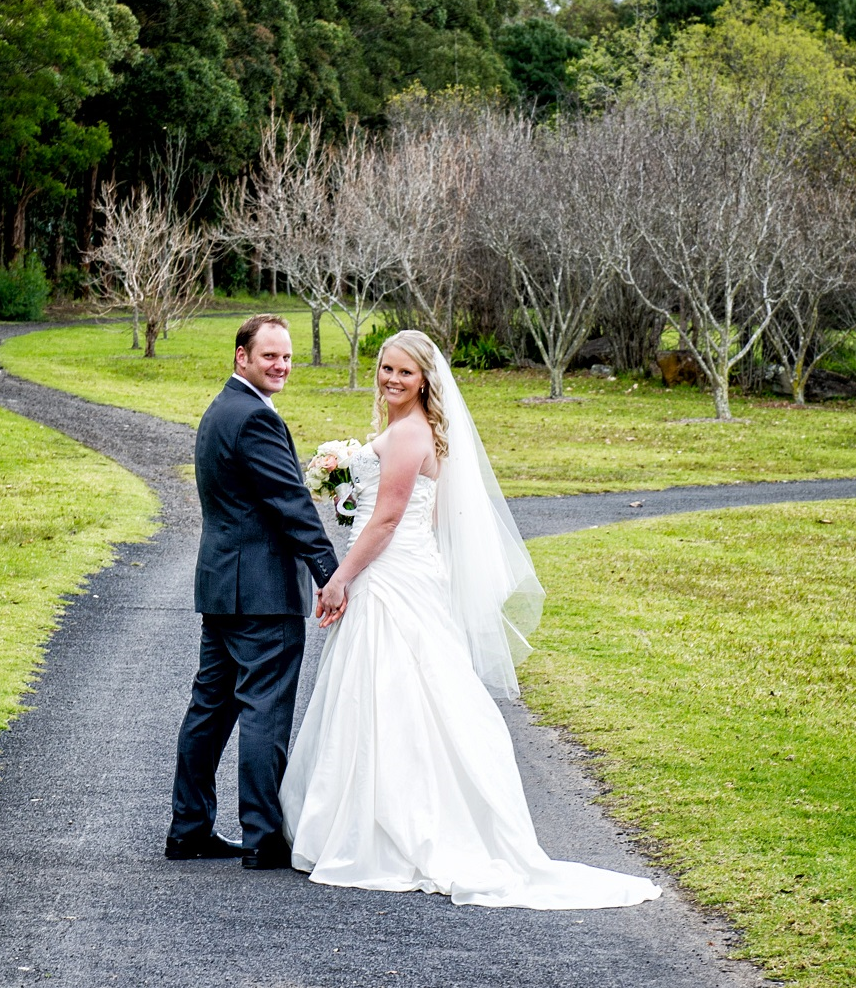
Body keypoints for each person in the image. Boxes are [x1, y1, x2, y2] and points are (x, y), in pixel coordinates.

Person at [280, 328, 660, 908]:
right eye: (386, 368)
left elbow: (388, 521)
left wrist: (339, 579)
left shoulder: (410, 433)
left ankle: (393, 826)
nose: (391, 379)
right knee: (393, 691)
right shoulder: (417, 430)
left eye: (404, 372)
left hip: (392, 575)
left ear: (424, 380)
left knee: (393, 690)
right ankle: (372, 814)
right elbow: (409, 515)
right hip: (402, 568)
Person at [167, 314, 342, 870]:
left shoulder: (221, 409)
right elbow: (291, 503)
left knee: (210, 709)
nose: (281, 365)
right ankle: (263, 837)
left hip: (223, 587)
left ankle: (189, 829)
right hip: (262, 593)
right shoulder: (255, 418)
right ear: (241, 356)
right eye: (270, 355)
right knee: (265, 710)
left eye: (286, 356)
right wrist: (329, 572)